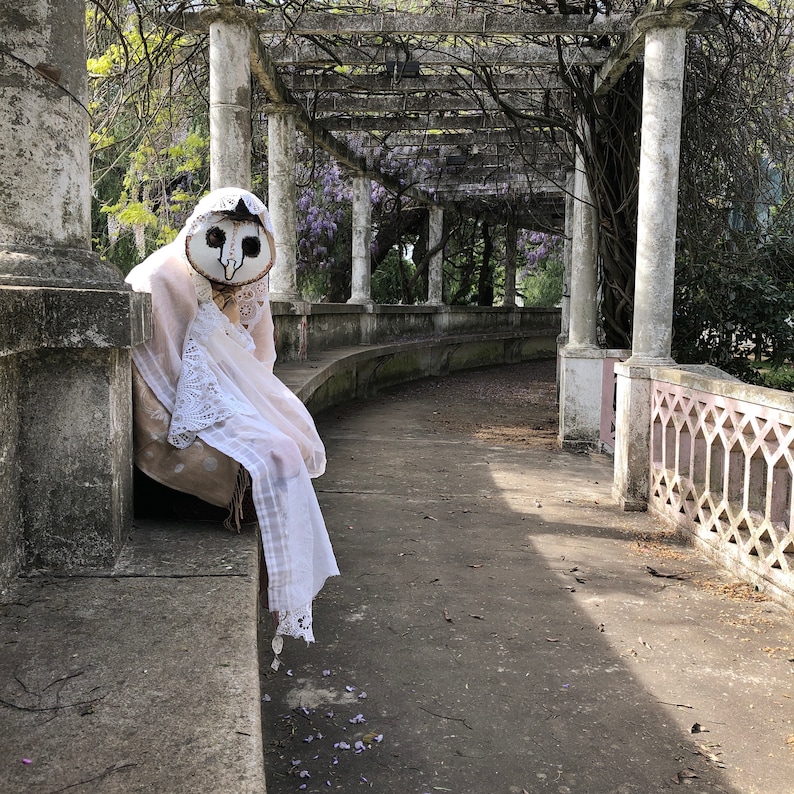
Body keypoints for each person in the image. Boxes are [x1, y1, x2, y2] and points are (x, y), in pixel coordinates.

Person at [125, 187, 339, 643]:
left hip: (227, 397)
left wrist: (247, 404)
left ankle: (284, 585)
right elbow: (159, 369)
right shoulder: (161, 277)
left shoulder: (249, 289)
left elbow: (259, 359)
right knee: (273, 454)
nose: (229, 262)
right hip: (173, 407)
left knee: (291, 440)